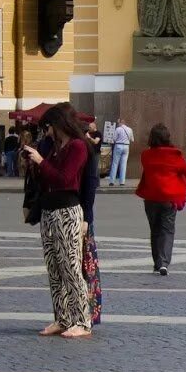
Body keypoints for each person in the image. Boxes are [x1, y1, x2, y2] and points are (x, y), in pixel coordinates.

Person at [22, 102, 92, 338]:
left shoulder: (78, 147)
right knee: (54, 268)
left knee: (70, 266)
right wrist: (35, 166)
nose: (46, 131)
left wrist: (42, 161)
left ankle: (82, 321)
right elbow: (47, 180)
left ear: (59, 123)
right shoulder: (55, 147)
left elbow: (64, 179)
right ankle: (62, 318)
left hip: (67, 211)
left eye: (48, 126)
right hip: (49, 212)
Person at [136, 123, 186, 275]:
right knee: (167, 230)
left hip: (151, 196)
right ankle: (164, 262)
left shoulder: (145, 155)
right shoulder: (175, 155)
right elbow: (185, 172)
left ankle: (156, 262)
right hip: (169, 197)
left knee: (155, 230)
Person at [79, 123, 103, 326]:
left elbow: (90, 187)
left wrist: (86, 218)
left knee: (87, 265)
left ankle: (90, 312)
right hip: (80, 215)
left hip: (83, 218)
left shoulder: (86, 153)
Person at [108, 117, 134, 185]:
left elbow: (114, 139)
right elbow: (132, 140)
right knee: (123, 164)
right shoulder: (130, 129)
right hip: (126, 147)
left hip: (118, 146)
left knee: (115, 163)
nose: (117, 124)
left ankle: (112, 181)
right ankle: (122, 182)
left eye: (118, 122)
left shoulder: (118, 129)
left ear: (120, 122)